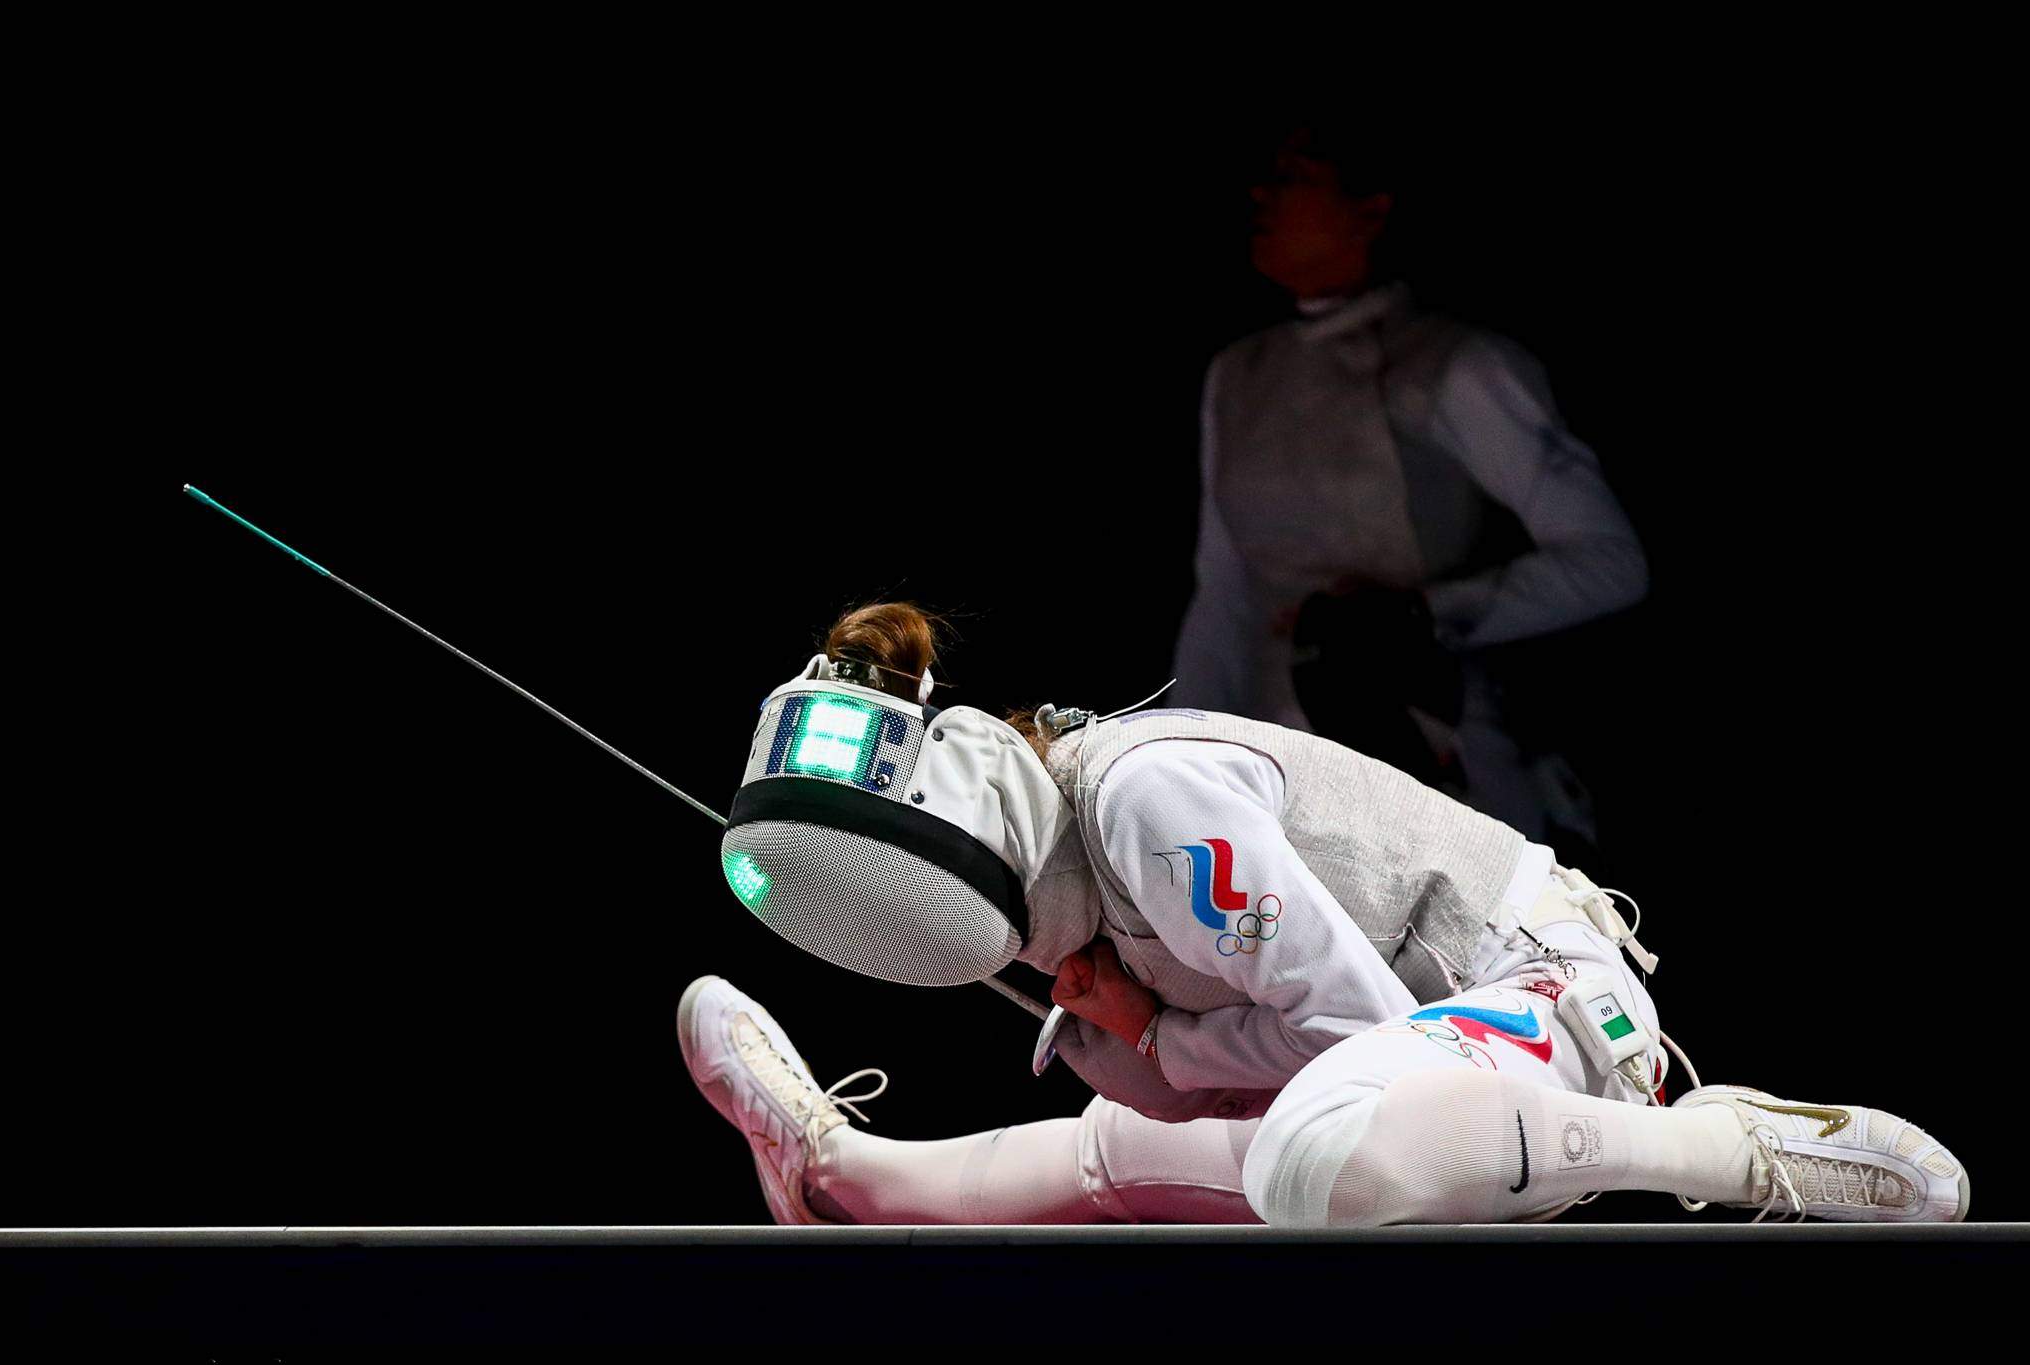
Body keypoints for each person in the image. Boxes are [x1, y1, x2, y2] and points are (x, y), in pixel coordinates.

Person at [684, 602, 1967, 1226]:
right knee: (1126, 1151)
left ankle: (1724, 1149)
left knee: (1305, 1157)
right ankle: (830, 1169)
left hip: (1544, 1005)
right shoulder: (1084, 873)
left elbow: (1357, 1025)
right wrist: (1148, 1050)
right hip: (1425, 1082)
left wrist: (1163, 1039)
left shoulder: (1143, 800)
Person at [1173, 124, 1649, 843]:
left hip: (1437, 757)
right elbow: (1224, 594)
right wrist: (1176, 759)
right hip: (1278, 769)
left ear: (1372, 208)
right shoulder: (1239, 374)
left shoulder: (1455, 366)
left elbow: (1611, 561)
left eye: (1294, 177)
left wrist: (1420, 613)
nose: (1262, 195)